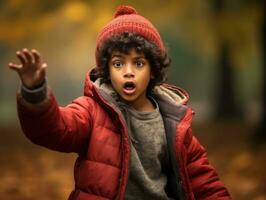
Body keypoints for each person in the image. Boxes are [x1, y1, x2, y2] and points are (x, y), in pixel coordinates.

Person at [8, 5, 231, 200]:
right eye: (118, 64)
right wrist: (35, 91)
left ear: (153, 69)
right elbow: (56, 129)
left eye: (139, 63)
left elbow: (203, 179)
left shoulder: (174, 121)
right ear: (105, 69)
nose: (128, 72)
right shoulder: (92, 111)